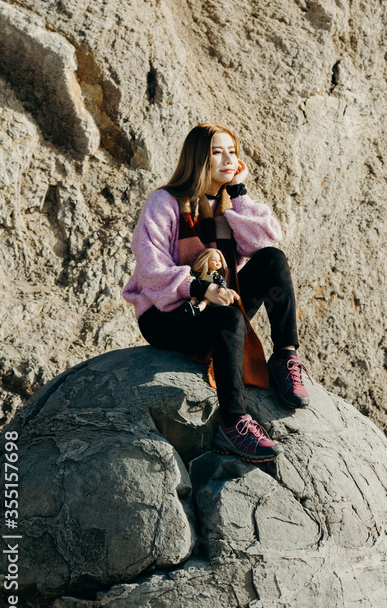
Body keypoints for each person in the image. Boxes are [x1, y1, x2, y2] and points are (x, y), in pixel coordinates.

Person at [123, 123, 310, 462]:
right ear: (198, 158)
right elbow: (150, 270)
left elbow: (264, 241)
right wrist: (200, 288)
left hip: (217, 304)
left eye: (233, 152)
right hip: (167, 315)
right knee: (228, 318)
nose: (228, 159)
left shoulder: (228, 205)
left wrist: (239, 192)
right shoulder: (165, 202)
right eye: (217, 152)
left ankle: (285, 356)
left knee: (273, 259)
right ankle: (234, 423)